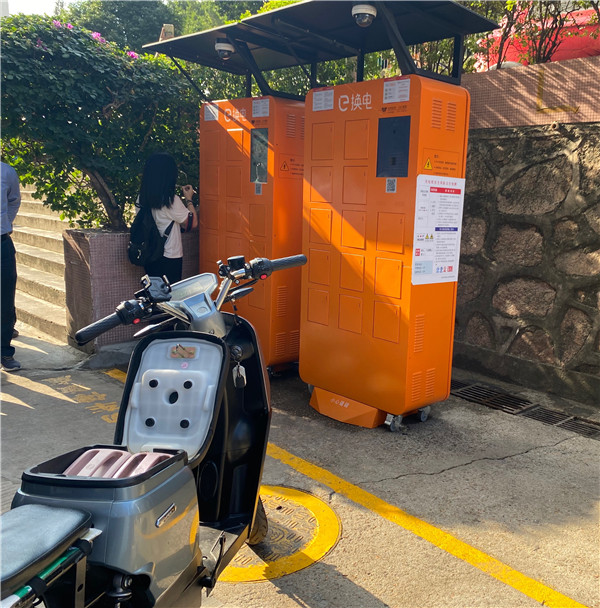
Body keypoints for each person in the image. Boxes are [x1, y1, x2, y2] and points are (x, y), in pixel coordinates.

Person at [136, 152, 198, 284]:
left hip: (149, 253)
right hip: (169, 256)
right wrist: (189, 199)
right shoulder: (171, 201)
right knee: (171, 292)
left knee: (155, 291)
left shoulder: (141, 198)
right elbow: (192, 223)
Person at [1, 161, 22, 372]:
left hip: (2, 244)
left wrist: (4, 224)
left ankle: (5, 352)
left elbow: (14, 201)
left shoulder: (6, 171)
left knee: (5, 301)